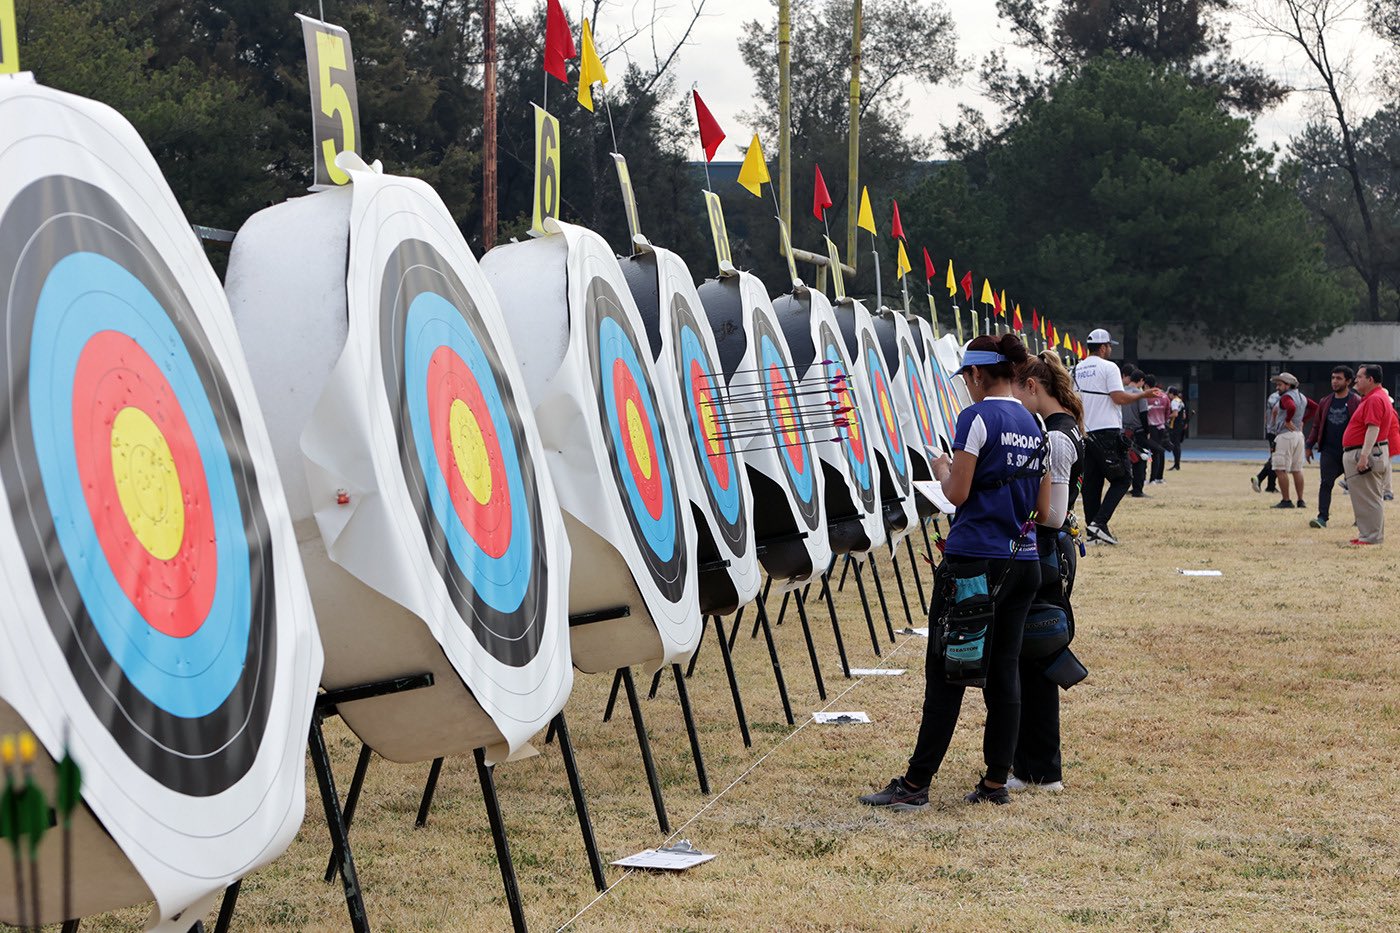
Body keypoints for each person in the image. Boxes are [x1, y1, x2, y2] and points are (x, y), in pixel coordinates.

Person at [860, 333, 1050, 809]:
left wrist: (944, 467)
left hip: (972, 563)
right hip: (1022, 561)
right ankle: (994, 783)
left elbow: (957, 494)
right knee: (1004, 673)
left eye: (967, 377)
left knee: (946, 671)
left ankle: (916, 784)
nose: (966, 386)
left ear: (978, 374)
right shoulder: (1035, 423)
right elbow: (1044, 509)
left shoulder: (976, 417)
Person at [1009, 351, 1084, 793]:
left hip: (1045, 550)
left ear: (1033, 387)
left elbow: (1053, 515)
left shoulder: (1055, 438)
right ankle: (1035, 765)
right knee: (1035, 657)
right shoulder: (1066, 426)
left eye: (1020, 390)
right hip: (1052, 552)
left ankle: (1039, 768)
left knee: (1035, 656)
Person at [1073, 329, 1160, 546]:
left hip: (1086, 432)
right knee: (1123, 479)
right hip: (1108, 431)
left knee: (1091, 485)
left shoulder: (1077, 369)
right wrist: (1143, 394)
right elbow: (1118, 397)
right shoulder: (1109, 367)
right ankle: (1098, 524)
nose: (1110, 349)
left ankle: (1093, 534)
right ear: (1103, 347)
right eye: (1109, 346)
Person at [1342, 364, 1392, 545]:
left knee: (1368, 498)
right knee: (1366, 497)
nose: (1356, 380)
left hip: (1365, 453)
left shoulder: (1374, 400)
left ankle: (1371, 537)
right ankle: (1367, 534)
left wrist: (1364, 456)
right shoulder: (1375, 397)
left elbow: (1373, 428)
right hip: (1369, 451)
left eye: (1360, 377)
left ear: (1370, 380)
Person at [1305, 366, 1359, 529]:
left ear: (1348, 381)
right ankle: (1322, 518)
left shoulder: (1355, 401)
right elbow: (1316, 425)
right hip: (1329, 451)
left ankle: (1361, 518)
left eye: (1339, 378)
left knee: (1356, 487)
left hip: (1350, 451)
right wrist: (1309, 445)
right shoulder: (1325, 401)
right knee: (1326, 483)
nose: (1334, 381)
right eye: (1333, 378)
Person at [1268, 373, 1308, 510]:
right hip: (1298, 435)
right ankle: (1301, 500)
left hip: (1285, 435)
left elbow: (1291, 407)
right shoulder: (1302, 397)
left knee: (1280, 469)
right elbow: (1315, 407)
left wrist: (1287, 420)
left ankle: (1286, 500)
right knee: (1297, 469)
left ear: (1288, 385)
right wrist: (1303, 420)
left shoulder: (1286, 397)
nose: (1277, 387)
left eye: (1280, 384)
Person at [1121, 369, 1151, 498]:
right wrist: (1147, 431)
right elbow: (1144, 415)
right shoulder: (1140, 394)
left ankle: (1124, 486)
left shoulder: (1121, 392)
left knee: (1125, 460)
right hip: (1137, 431)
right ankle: (1137, 489)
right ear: (1141, 381)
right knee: (1140, 460)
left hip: (1122, 431)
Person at [1252, 388, 1280, 495]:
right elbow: (1275, 413)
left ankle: (1271, 486)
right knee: (1276, 458)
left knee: (1275, 458)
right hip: (1277, 431)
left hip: (1270, 430)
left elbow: (1266, 414)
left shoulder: (1272, 396)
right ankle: (1259, 478)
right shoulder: (1282, 398)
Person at [1143, 374, 1169, 485]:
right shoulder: (1164, 396)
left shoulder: (1145, 396)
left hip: (1149, 427)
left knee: (1143, 451)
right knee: (1158, 453)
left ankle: (1143, 477)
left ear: (1147, 385)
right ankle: (1155, 478)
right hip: (1161, 427)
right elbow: (1168, 412)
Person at [1166, 386, 1188, 470]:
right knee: (1177, 444)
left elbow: (1175, 414)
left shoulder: (1174, 402)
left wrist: (1167, 416)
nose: (1168, 395)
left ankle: (1176, 465)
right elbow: (1184, 415)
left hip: (1174, 425)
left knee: (1175, 445)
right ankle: (1176, 464)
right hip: (1180, 425)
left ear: (1172, 393)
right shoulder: (1180, 401)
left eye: (1169, 393)